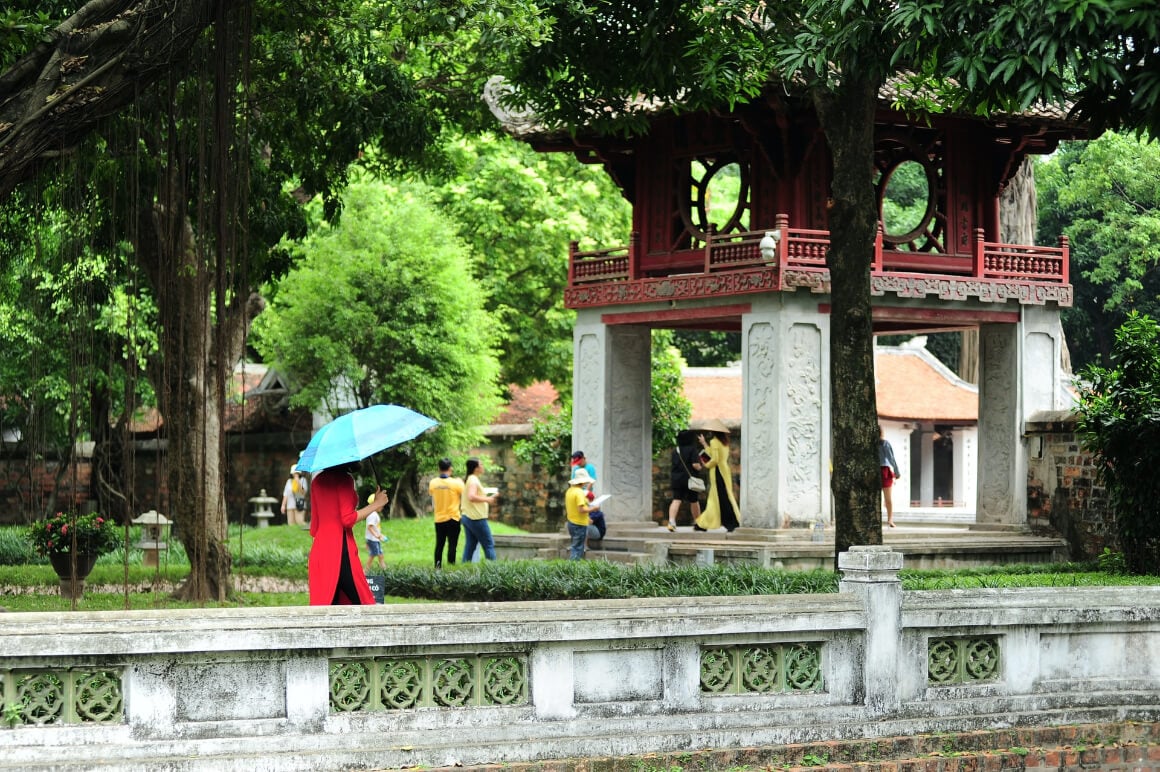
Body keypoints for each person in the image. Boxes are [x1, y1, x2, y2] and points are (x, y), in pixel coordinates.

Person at [307, 462, 388, 605]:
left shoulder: (317, 481)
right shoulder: (344, 480)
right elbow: (347, 519)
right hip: (340, 551)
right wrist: (376, 505)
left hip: (320, 550)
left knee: (327, 607)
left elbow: (314, 527)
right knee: (361, 604)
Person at [693, 420, 741, 532]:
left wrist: (705, 464)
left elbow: (714, 459)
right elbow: (715, 455)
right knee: (724, 497)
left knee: (717, 498)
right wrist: (704, 443)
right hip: (725, 471)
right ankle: (732, 522)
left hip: (717, 472)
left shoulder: (714, 441)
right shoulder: (724, 442)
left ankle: (704, 524)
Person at [461, 457, 499, 562]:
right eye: (481, 465)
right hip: (476, 517)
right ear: (476, 468)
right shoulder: (473, 480)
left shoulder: (471, 478)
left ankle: (464, 567)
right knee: (489, 544)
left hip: (468, 516)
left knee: (471, 544)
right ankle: (494, 569)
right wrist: (488, 499)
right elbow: (471, 496)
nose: (483, 466)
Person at [428, 458, 464, 569]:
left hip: (439, 518)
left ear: (439, 469)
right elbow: (464, 492)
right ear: (450, 468)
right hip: (453, 517)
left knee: (439, 544)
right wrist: (461, 481)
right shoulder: (456, 483)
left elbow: (432, 494)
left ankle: (437, 566)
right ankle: (451, 565)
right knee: (452, 544)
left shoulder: (433, 483)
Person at [666, 429, 703, 532]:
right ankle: (697, 522)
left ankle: (671, 522)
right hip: (690, 480)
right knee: (694, 500)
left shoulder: (675, 451)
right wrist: (700, 467)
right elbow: (695, 465)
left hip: (677, 479)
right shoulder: (692, 449)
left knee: (676, 499)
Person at [570, 450, 605, 541]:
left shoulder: (590, 468)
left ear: (584, 458)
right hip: (577, 494)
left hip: (586, 495)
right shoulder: (576, 469)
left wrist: (585, 493)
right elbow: (573, 482)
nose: (578, 464)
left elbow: (591, 482)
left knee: (586, 516)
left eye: (579, 462)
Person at [565, 467, 594, 560]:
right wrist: (593, 508)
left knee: (575, 545)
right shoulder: (579, 492)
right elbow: (581, 509)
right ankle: (573, 567)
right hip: (579, 523)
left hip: (571, 522)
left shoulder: (570, 491)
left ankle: (574, 567)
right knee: (578, 548)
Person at [880, 425, 902, 528]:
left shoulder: (871, 444)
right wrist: (897, 472)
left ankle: (888, 519)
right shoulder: (885, 444)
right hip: (884, 471)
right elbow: (891, 458)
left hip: (873, 471)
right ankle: (890, 519)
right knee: (888, 498)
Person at [364, 504, 386, 573]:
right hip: (372, 539)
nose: (382, 507)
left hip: (375, 539)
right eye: (381, 504)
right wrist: (376, 535)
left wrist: (380, 535)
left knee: (380, 554)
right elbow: (369, 527)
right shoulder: (372, 514)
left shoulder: (374, 514)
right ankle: (365, 571)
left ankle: (384, 569)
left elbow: (375, 527)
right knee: (373, 555)